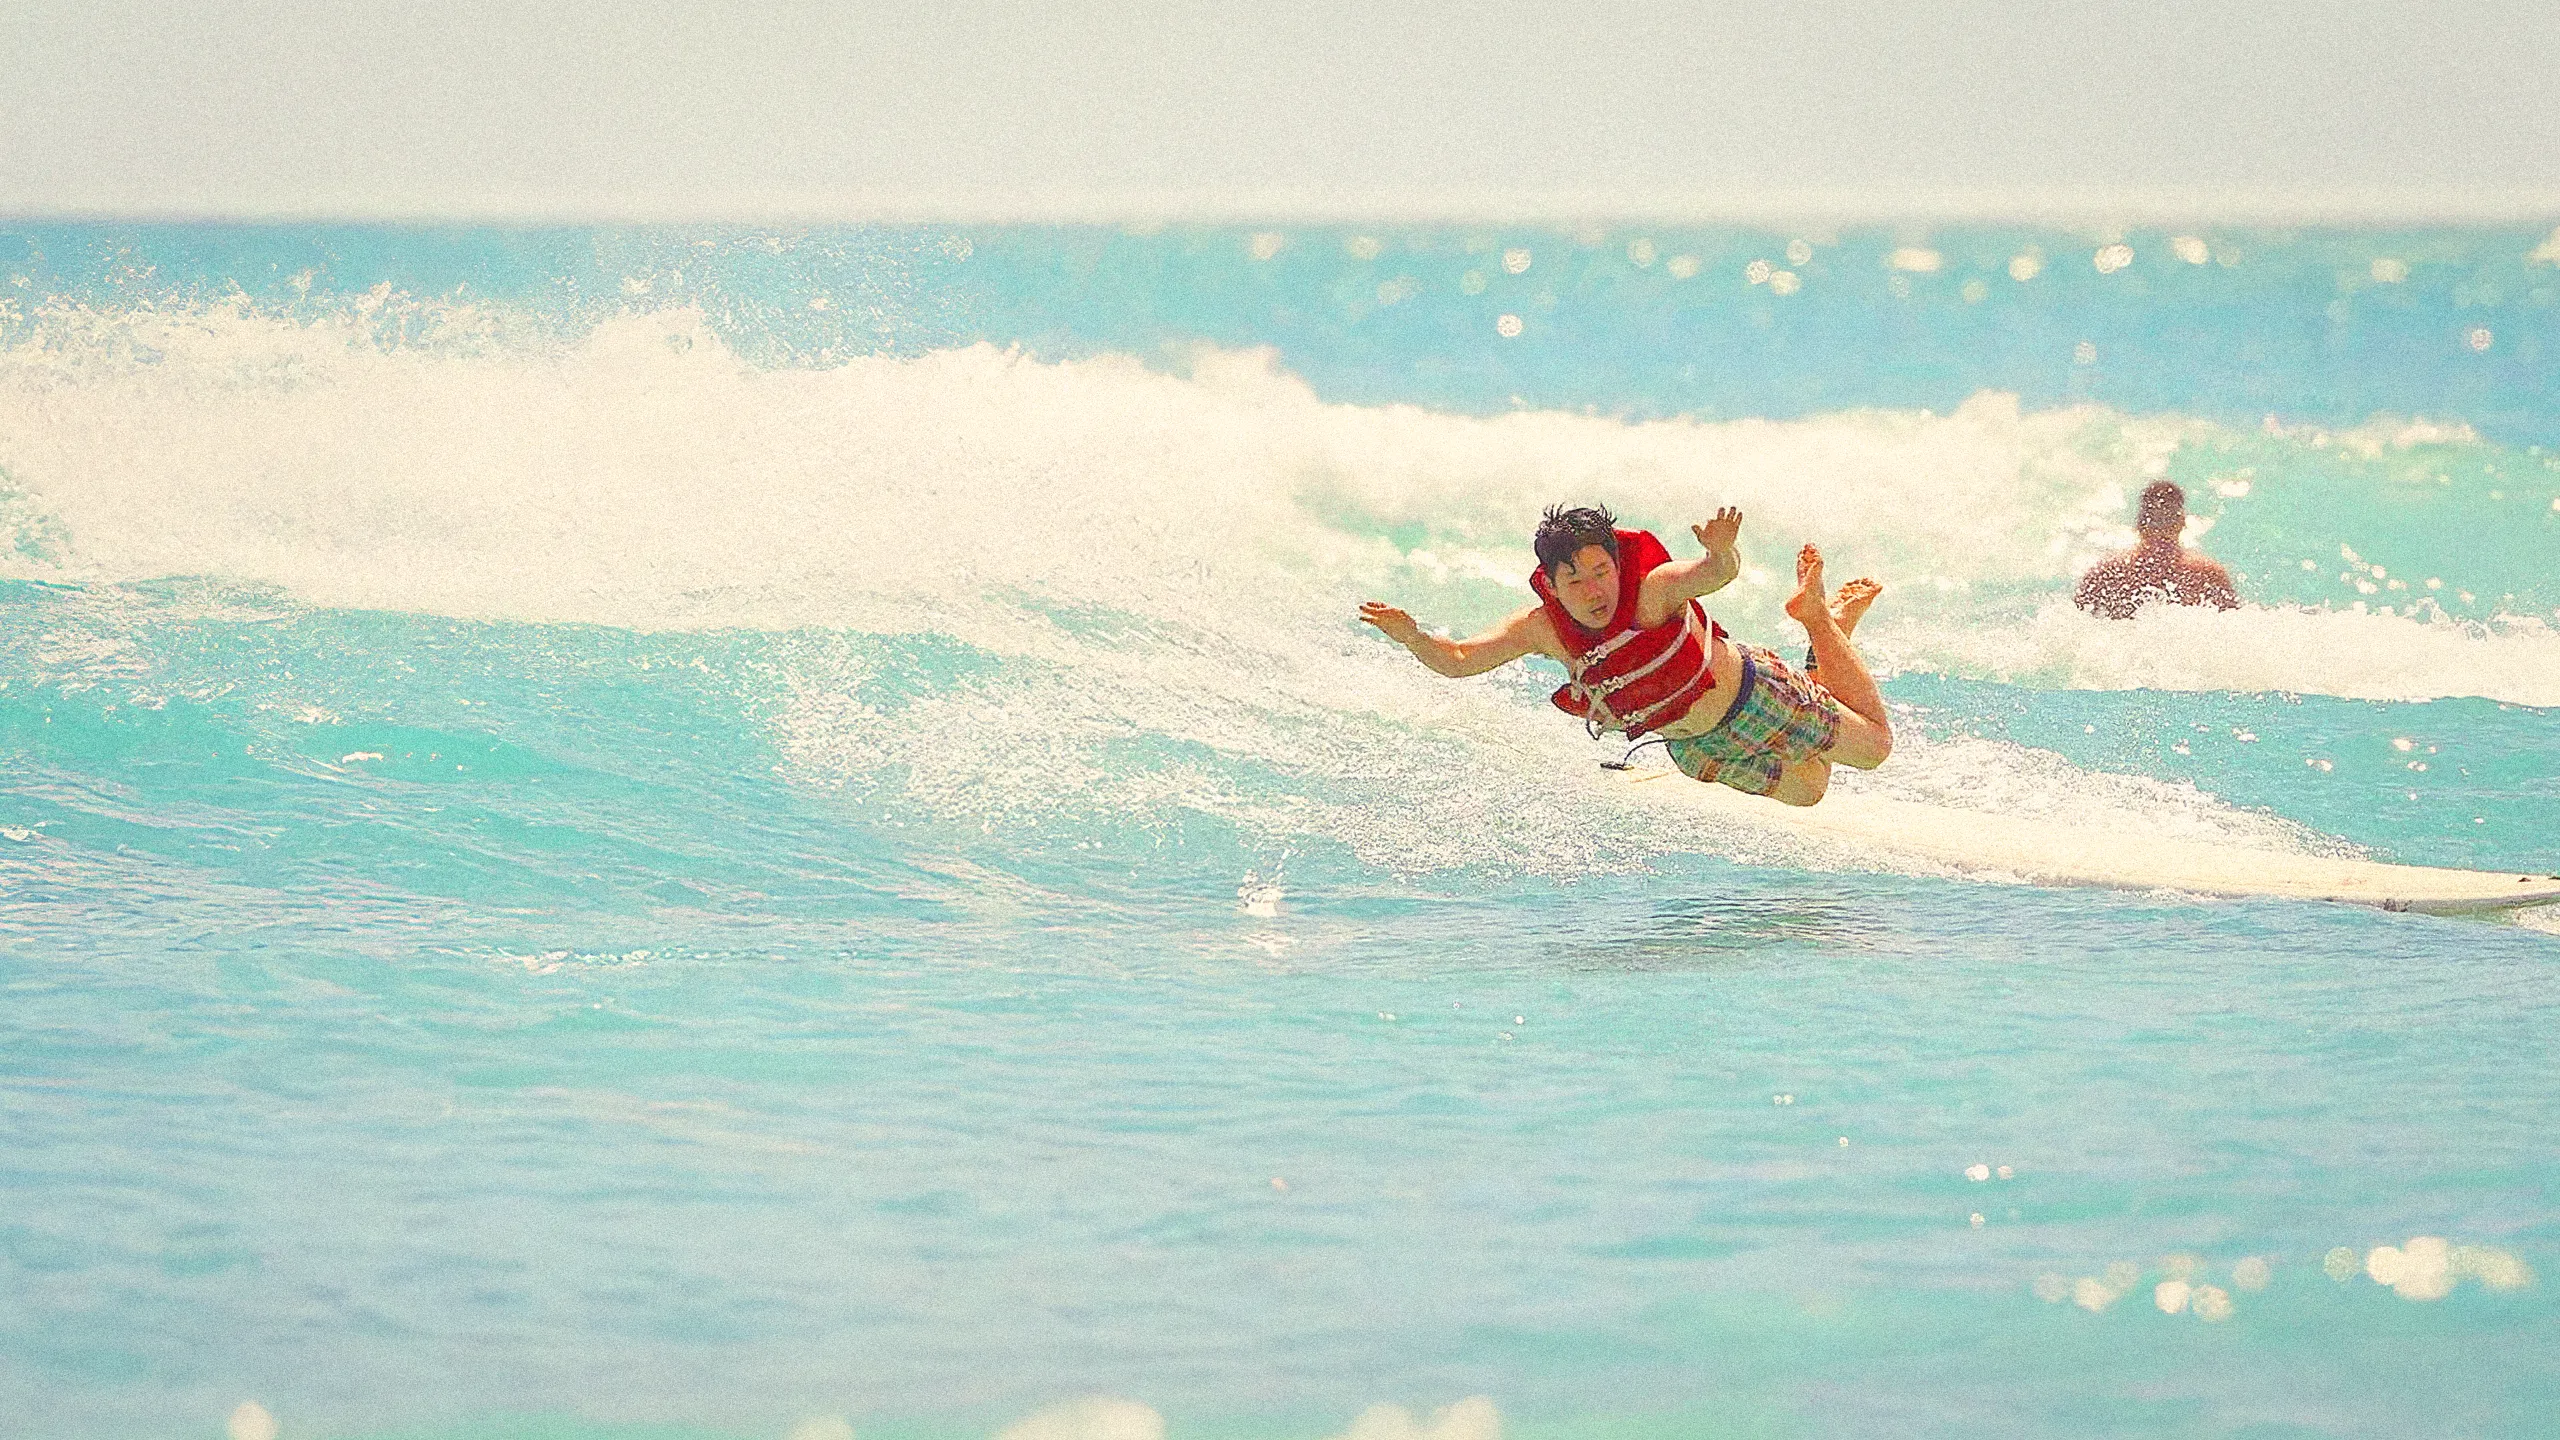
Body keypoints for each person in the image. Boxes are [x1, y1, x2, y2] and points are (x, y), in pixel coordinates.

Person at [1357, 504, 1892, 807]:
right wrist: (1413, 637)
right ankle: (1831, 635)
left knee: (1874, 749)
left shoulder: (1652, 591)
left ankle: (1820, 619)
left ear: (1617, 564)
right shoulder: (1543, 629)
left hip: (1756, 698)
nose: (1594, 591)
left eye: (1601, 572)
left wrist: (1721, 551)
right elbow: (1458, 660)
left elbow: (1712, 575)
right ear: (1551, 582)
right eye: (1575, 579)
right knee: (1811, 790)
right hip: (1696, 748)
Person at [2074, 480, 2239, 619]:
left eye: (2167, 521)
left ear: (2181, 524)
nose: (2160, 532)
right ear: (2140, 525)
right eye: (2154, 522)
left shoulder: (2207, 575)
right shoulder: (2108, 573)